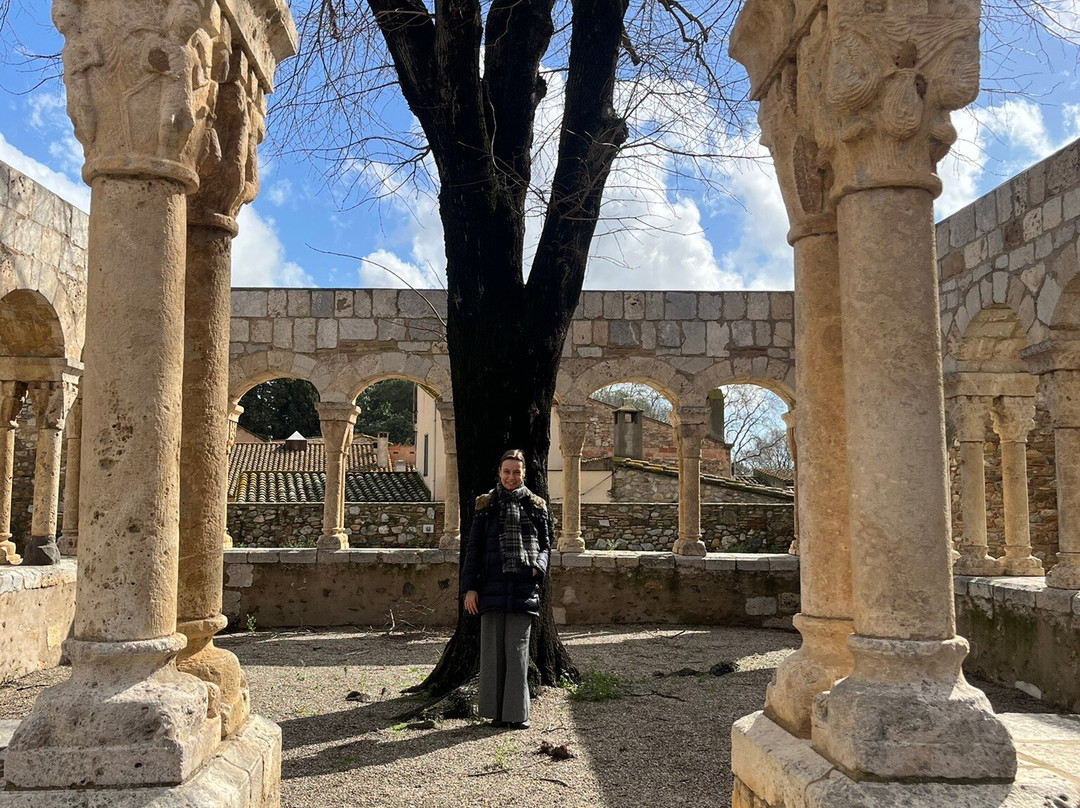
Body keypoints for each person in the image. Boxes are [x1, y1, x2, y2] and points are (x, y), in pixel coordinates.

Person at [460, 449, 551, 729]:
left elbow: (547, 545)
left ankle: (516, 714)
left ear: (524, 474)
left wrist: (538, 567)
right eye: (506, 471)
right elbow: (473, 549)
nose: (511, 477)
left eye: (516, 472)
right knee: (492, 654)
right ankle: (495, 714)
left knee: (518, 653)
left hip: (524, 588)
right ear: (499, 473)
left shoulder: (536, 506)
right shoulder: (486, 505)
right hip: (490, 588)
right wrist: (469, 589)